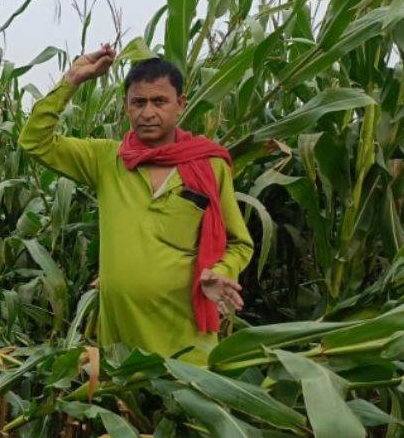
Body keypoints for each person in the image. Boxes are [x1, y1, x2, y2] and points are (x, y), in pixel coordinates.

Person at [18, 46, 253, 362]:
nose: (148, 112)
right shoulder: (106, 160)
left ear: (180, 104)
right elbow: (35, 142)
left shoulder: (209, 166)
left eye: (160, 101)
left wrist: (221, 272)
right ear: (126, 108)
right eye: (138, 102)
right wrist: (72, 80)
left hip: (186, 339)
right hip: (120, 343)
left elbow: (239, 243)